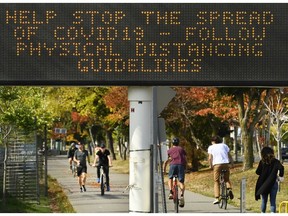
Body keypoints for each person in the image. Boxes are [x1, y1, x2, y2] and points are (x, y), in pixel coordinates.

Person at [255, 146, 284, 213]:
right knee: (273, 201)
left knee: (264, 201)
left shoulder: (262, 162)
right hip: (273, 183)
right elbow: (281, 168)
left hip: (264, 184)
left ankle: (263, 213)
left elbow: (257, 172)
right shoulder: (276, 162)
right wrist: (280, 176)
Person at [208, 135, 234, 205]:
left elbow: (210, 158)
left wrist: (210, 165)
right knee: (227, 179)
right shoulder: (224, 146)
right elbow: (229, 155)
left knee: (216, 181)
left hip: (217, 165)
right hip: (225, 164)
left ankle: (217, 197)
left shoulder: (211, 147)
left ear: (213, 141)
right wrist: (231, 163)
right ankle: (229, 189)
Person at [163, 137, 187, 208]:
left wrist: (164, 169)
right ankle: (182, 195)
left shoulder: (170, 150)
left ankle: (170, 192)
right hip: (181, 166)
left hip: (173, 165)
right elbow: (185, 159)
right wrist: (186, 167)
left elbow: (166, 161)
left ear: (172, 143)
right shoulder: (181, 149)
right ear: (178, 143)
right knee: (181, 182)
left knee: (170, 178)